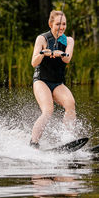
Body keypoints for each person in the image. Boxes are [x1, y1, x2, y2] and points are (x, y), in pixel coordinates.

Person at [30, 10, 76, 148]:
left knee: (70, 104)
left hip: (57, 83)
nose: (61, 27)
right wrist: (44, 53)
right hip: (41, 80)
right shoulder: (42, 39)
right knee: (48, 110)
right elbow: (34, 62)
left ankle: (67, 139)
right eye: (58, 24)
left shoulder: (68, 40)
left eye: (64, 24)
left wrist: (60, 54)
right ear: (50, 24)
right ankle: (34, 143)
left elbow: (67, 59)